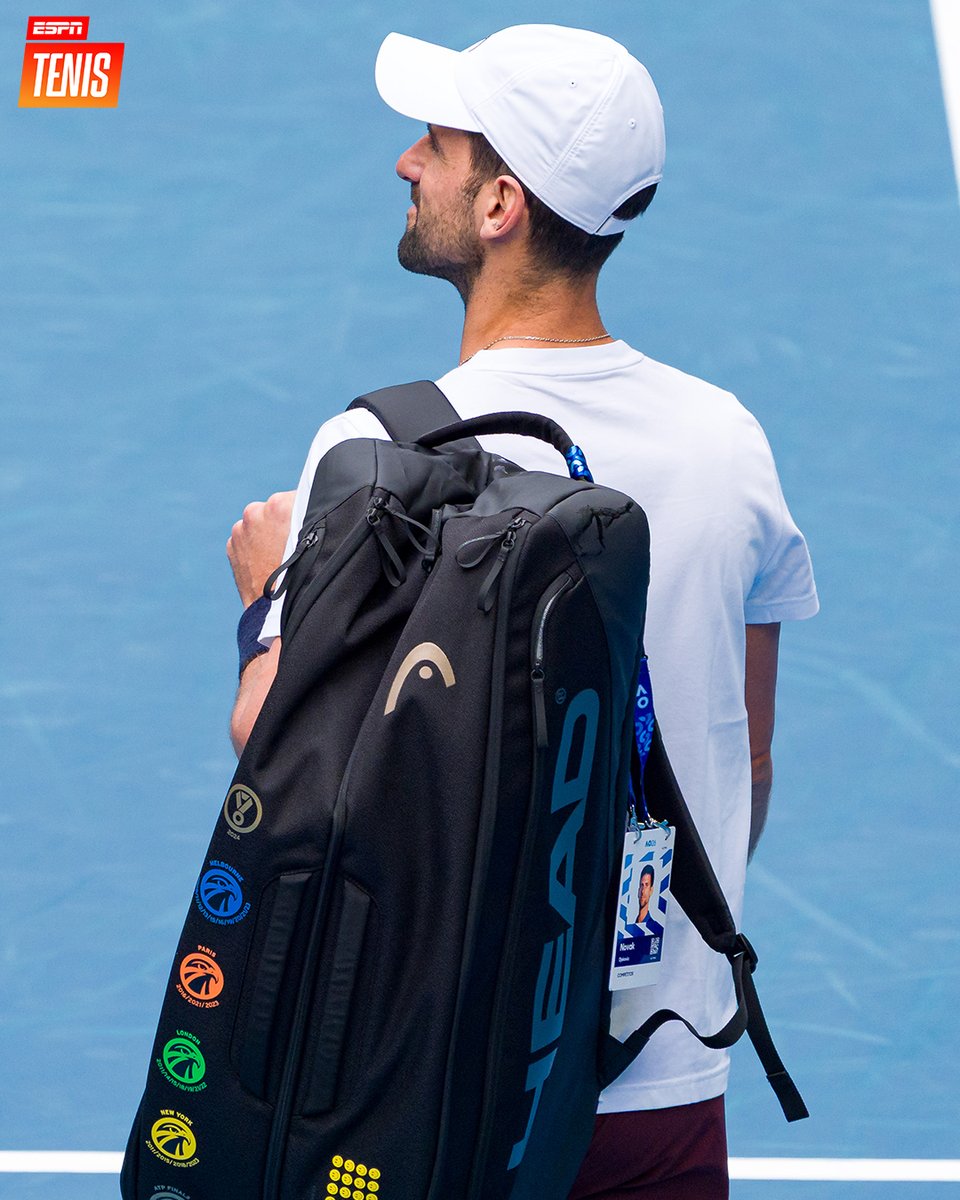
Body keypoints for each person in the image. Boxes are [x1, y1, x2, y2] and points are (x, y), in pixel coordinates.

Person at [226, 24, 818, 1200]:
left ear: (500, 204)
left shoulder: (376, 454)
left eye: (436, 146)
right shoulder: (730, 440)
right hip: (666, 1084)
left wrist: (259, 610)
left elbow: (289, 777)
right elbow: (745, 761)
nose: (408, 163)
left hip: (441, 1089)